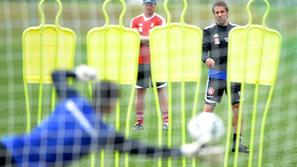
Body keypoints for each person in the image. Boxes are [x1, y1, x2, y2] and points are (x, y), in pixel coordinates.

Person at [0, 65, 220, 167]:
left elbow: (56, 74)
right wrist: (185, 150)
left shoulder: (73, 101)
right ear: (112, 105)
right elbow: (145, 150)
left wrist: (77, 73)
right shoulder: (101, 134)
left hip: (8, 147)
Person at [201, 0, 249, 153]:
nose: (220, 15)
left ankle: (237, 143)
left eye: (222, 12)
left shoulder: (237, 30)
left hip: (234, 75)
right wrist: (206, 59)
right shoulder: (208, 30)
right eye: (217, 12)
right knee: (208, 108)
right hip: (216, 76)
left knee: (237, 108)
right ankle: (203, 141)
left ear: (227, 12)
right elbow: (203, 52)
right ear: (214, 14)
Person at [130, 0, 168, 130]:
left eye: (151, 3)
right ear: (143, 5)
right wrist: (148, 39)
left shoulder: (160, 20)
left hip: (157, 61)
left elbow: (159, 40)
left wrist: (142, 39)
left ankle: (166, 121)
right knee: (139, 92)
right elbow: (133, 39)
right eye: (147, 3)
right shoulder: (135, 21)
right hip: (140, 62)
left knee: (161, 91)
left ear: (155, 5)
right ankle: (139, 122)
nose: (149, 6)